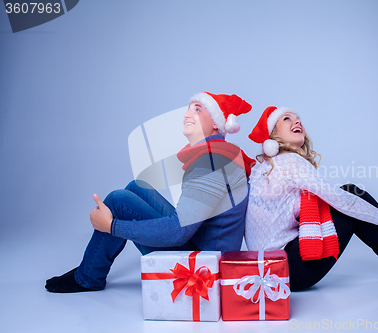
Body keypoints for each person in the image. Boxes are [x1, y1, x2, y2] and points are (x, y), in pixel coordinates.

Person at [45, 92, 255, 293]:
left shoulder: (212, 163)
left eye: (197, 109)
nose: (186, 114)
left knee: (118, 201)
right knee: (136, 187)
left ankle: (88, 277)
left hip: (205, 266)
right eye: (188, 108)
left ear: (216, 123)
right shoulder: (218, 154)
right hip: (204, 246)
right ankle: (90, 269)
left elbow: (178, 231)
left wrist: (112, 226)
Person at [245, 106, 378, 291]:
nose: (297, 121)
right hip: (286, 272)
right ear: (273, 135)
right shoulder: (290, 161)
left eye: (298, 118)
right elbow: (342, 200)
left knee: (347, 198)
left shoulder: (265, 168)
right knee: (350, 194)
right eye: (287, 118)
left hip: (269, 271)